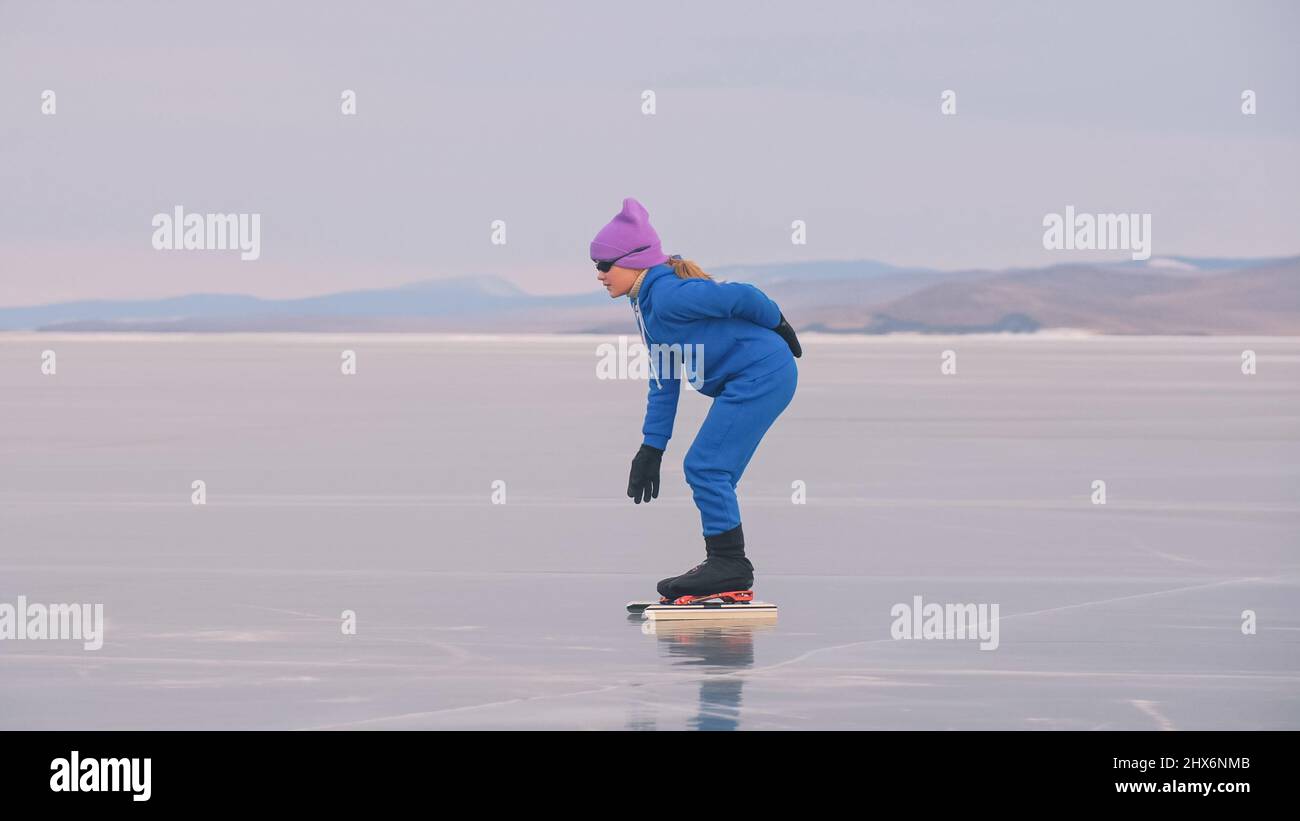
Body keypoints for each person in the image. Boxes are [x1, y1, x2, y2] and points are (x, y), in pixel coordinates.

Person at [590, 197, 801, 602]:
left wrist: (779, 323)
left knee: (706, 467)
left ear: (634, 260)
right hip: (748, 378)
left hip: (762, 374)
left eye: (604, 265)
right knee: (712, 469)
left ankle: (729, 565)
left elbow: (744, 296)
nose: (599, 274)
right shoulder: (646, 305)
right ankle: (724, 562)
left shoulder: (669, 296)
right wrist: (651, 447)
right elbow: (664, 377)